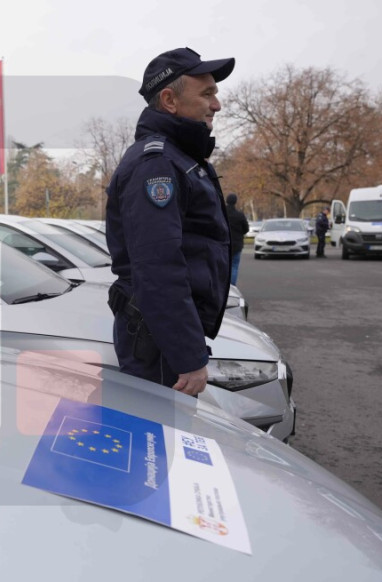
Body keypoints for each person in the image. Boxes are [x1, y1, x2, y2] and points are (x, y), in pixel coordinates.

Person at [105, 47, 234, 396]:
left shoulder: (178, 158)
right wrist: (187, 355)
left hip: (159, 336)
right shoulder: (157, 165)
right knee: (160, 431)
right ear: (169, 100)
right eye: (206, 94)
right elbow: (158, 266)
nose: (217, 105)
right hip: (157, 341)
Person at [225, 193, 250, 284]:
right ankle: (232, 286)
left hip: (224, 243)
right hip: (237, 244)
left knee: (224, 265)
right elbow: (246, 229)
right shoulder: (239, 215)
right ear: (235, 202)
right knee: (234, 266)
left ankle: (223, 286)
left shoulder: (222, 214)